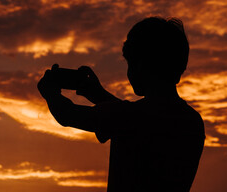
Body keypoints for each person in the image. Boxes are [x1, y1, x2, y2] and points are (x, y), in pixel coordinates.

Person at [37, 17, 205, 191]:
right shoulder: (192, 121)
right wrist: (97, 94)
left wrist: (49, 92)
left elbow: (68, 115)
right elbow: (133, 119)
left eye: (130, 63)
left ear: (141, 66)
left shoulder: (130, 116)